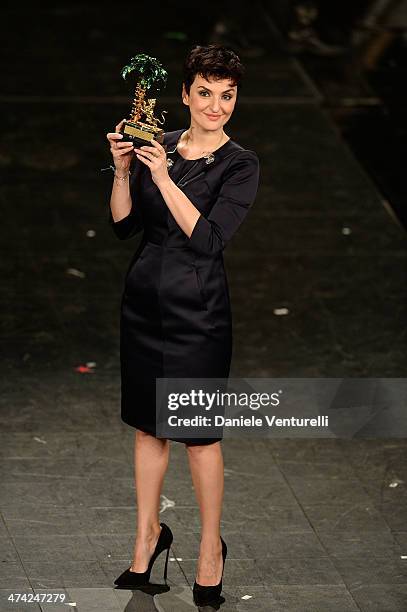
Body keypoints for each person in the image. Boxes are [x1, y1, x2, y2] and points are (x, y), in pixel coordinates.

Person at [106, 44, 260, 606]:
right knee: (148, 428)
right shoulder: (159, 143)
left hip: (198, 314)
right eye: (206, 94)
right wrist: (125, 171)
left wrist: (165, 177)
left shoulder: (241, 164)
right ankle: (147, 538)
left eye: (228, 95)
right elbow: (125, 225)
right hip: (145, 303)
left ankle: (209, 552)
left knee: (198, 438)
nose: (217, 106)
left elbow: (208, 238)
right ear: (186, 94)